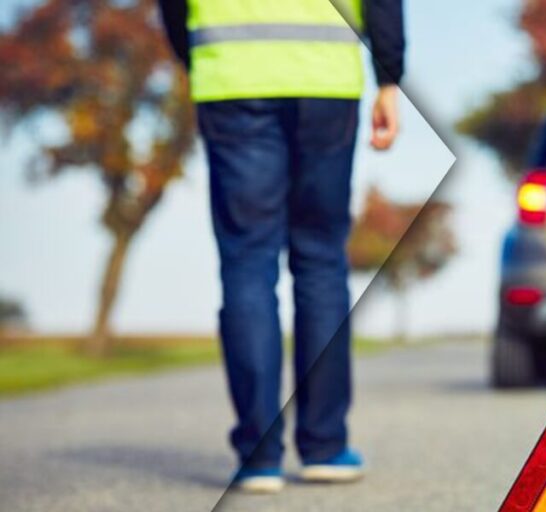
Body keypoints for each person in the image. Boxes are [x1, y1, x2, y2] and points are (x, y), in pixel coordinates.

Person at [157, 0, 404, 493]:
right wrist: (389, 77)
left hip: (231, 80)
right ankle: (326, 446)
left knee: (248, 263)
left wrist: (199, 62)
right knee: (321, 261)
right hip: (325, 80)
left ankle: (259, 456)